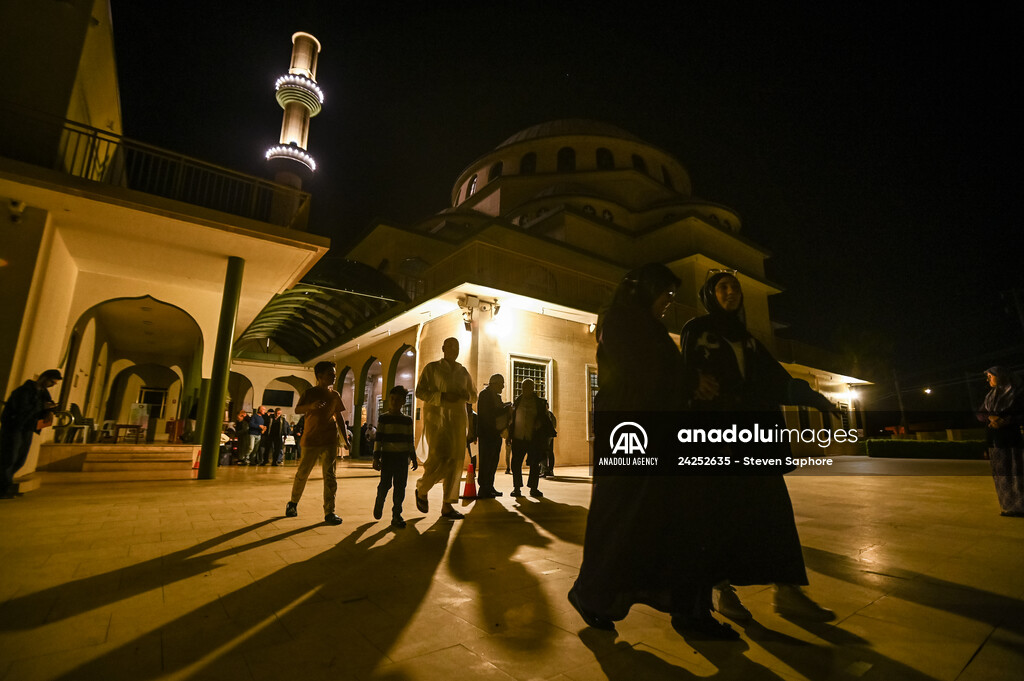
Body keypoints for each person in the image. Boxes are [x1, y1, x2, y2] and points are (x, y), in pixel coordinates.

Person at [569, 264, 737, 639]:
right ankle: (593, 596)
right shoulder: (620, 324)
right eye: (665, 293)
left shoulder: (649, 327)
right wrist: (690, 382)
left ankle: (689, 609)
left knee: (674, 523)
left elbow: (658, 375)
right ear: (644, 290)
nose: (668, 302)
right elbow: (639, 374)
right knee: (623, 522)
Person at [680, 269, 835, 623]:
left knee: (774, 511)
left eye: (734, 287)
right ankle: (723, 591)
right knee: (719, 514)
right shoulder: (696, 329)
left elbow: (775, 379)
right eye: (722, 287)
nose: (731, 291)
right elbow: (684, 374)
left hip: (755, 440)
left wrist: (814, 398)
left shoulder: (747, 339)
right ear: (709, 294)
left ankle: (787, 590)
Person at [413, 337, 477, 520]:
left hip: (458, 423)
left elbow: (474, 396)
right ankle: (422, 488)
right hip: (437, 422)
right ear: (443, 348)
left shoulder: (463, 372)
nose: (454, 349)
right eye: (450, 346)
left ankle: (447, 506)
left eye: (456, 346)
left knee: (456, 462)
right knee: (439, 460)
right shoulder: (432, 369)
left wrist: (467, 395)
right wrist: (441, 396)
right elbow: (420, 392)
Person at [285, 362, 348, 525]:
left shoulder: (335, 395)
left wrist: (345, 438)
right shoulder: (310, 393)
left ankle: (330, 512)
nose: (334, 376)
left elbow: (339, 416)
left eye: (334, 373)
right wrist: (310, 406)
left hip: (329, 440)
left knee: (330, 476)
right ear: (319, 376)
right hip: (311, 439)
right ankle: (293, 503)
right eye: (330, 373)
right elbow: (298, 409)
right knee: (303, 473)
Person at [1, 369, 61, 498]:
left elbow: (46, 406)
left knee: (20, 459)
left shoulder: (44, 393)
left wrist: (50, 410)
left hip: (28, 427)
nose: (52, 385)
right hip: (14, 427)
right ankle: (3, 488)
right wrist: (42, 407)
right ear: (44, 377)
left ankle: (5, 484)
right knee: (9, 457)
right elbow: (22, 409)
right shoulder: (23, 391)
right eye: (51, 382)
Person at [977, 367, 1024, 517]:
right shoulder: (991, 396)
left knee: (1017, 473)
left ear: (1001, 376)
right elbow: (980, 414)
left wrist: (1006, 421)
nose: (988, 379)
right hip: (996, 441)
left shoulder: (1017, 394)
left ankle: (1020, 506)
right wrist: (991, 417)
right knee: (1002, 475)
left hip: (1014, 440)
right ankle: (1009, 506)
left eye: (991, 376)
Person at [373, 386, 418, 528]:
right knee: (385, 484)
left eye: (398, 400)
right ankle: (379, 501)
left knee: (400, 487)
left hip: (402, 459)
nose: (394, 402)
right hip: (388, 457)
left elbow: (410, 439)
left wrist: (413, 457)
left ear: (404, 402)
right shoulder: (384, 418)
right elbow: (378, 439)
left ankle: (396, 514)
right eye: (392, 399)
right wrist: (376, 458)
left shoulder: (407, 420)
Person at [508, 379, 555, 498]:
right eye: (524, 387)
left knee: (535, 464)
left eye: (528, 387)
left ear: (532, 388)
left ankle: (534, 488)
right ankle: (517, 488)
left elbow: (546, 419)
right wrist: (509, 435)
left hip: (533, 438)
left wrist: (540, 423)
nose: (525, 389)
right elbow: (512, 420)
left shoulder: (539, 403)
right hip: (518, 437)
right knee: (516, 463)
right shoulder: (518, 401)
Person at [477, 374, 510, 498]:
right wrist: (506, 409)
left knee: (493, 461)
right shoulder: (485, 395)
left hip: (495, 434)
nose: (502, 387)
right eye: (501, 384)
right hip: (487, 434)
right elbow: (489, 414)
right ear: (494, 383)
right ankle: (484, 488)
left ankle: (489, 486)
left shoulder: (495, 396)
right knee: (486, 462)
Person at [540, 409, 557, 477]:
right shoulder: (550, 414)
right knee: (549, 452)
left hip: (546, 436)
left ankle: (545, 470)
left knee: (545, 452)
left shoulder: (546, 414)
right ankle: (548, 470)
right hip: (550, 435)